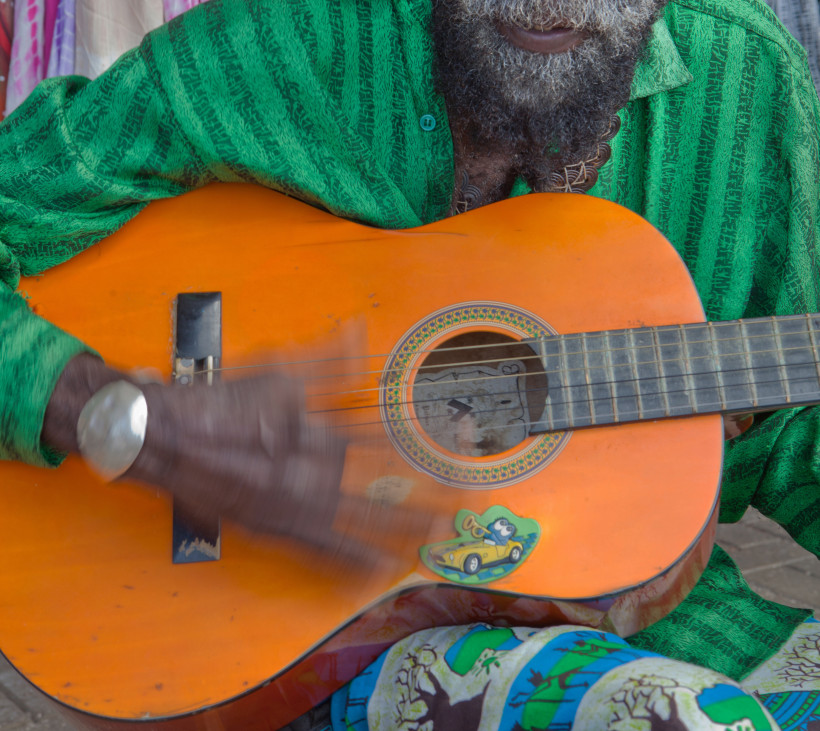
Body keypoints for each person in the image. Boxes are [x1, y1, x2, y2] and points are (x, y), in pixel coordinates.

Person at [0, 0, 818, 728]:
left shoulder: (744, 84)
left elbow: (799, 437)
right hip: (280, 646)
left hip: (664, 630)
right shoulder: (283, 47)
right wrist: (114, 413)